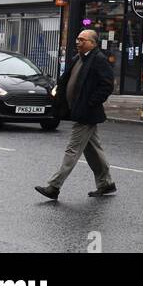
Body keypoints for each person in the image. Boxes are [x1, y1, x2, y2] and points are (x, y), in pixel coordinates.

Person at [35, 29, 117, 201]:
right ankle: (106, 184)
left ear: (93, 43)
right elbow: (66, 81)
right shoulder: (77, 59)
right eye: (78, 39)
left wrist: (91, 102)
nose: (78, 42)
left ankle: (54, 186)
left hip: (87, 113)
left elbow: (107, 85)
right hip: (77, 110)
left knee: (72, 149)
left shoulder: (98, 60)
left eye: (82, 40)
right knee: (93, 150)